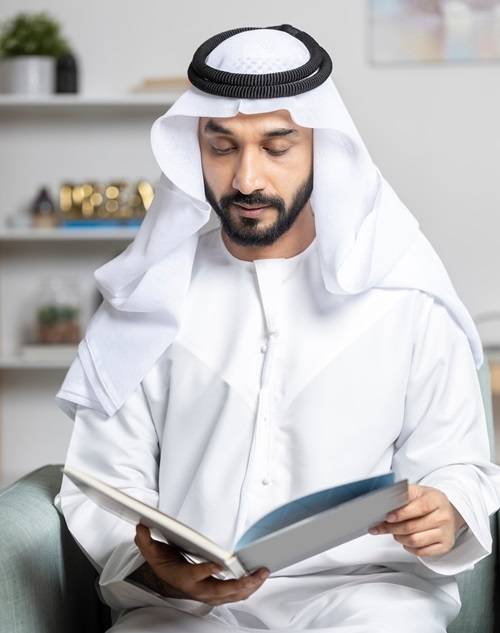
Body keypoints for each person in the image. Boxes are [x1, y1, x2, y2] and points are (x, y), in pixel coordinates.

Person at [54, 24, 500, 632]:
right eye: (222, 147)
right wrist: (153, 569)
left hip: (369, 596)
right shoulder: (150, 299)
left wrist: (448, 512)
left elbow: (457, 464)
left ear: (323, 146)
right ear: (196, 150)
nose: (246, 179)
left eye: (277, 146)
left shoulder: (403, 292)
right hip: (183, 608)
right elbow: (100, 483)